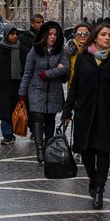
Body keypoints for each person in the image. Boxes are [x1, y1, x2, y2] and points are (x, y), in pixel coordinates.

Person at [63, 21, 110, 210]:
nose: (107, 38)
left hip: (107, 112)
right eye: (104, 34)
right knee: (86, 150)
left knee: (103, 151)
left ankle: (100, 189)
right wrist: (67, 111)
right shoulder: (83, 59)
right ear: (95, 37)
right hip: (85, 111)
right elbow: (75, 87)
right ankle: (93, 178)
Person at [18, 21, 70, 163]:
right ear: (45, 35)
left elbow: (66, 68)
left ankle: (48, 146)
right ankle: (39, 149)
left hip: (54, 92)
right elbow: (28, 73)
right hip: (36, 90)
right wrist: (22, 94)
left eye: (55, 34)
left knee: (50, 119)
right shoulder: (35, 51)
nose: (53, 37)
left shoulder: (61, 51)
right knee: (38, 118)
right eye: (50, 34)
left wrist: (48, 74)